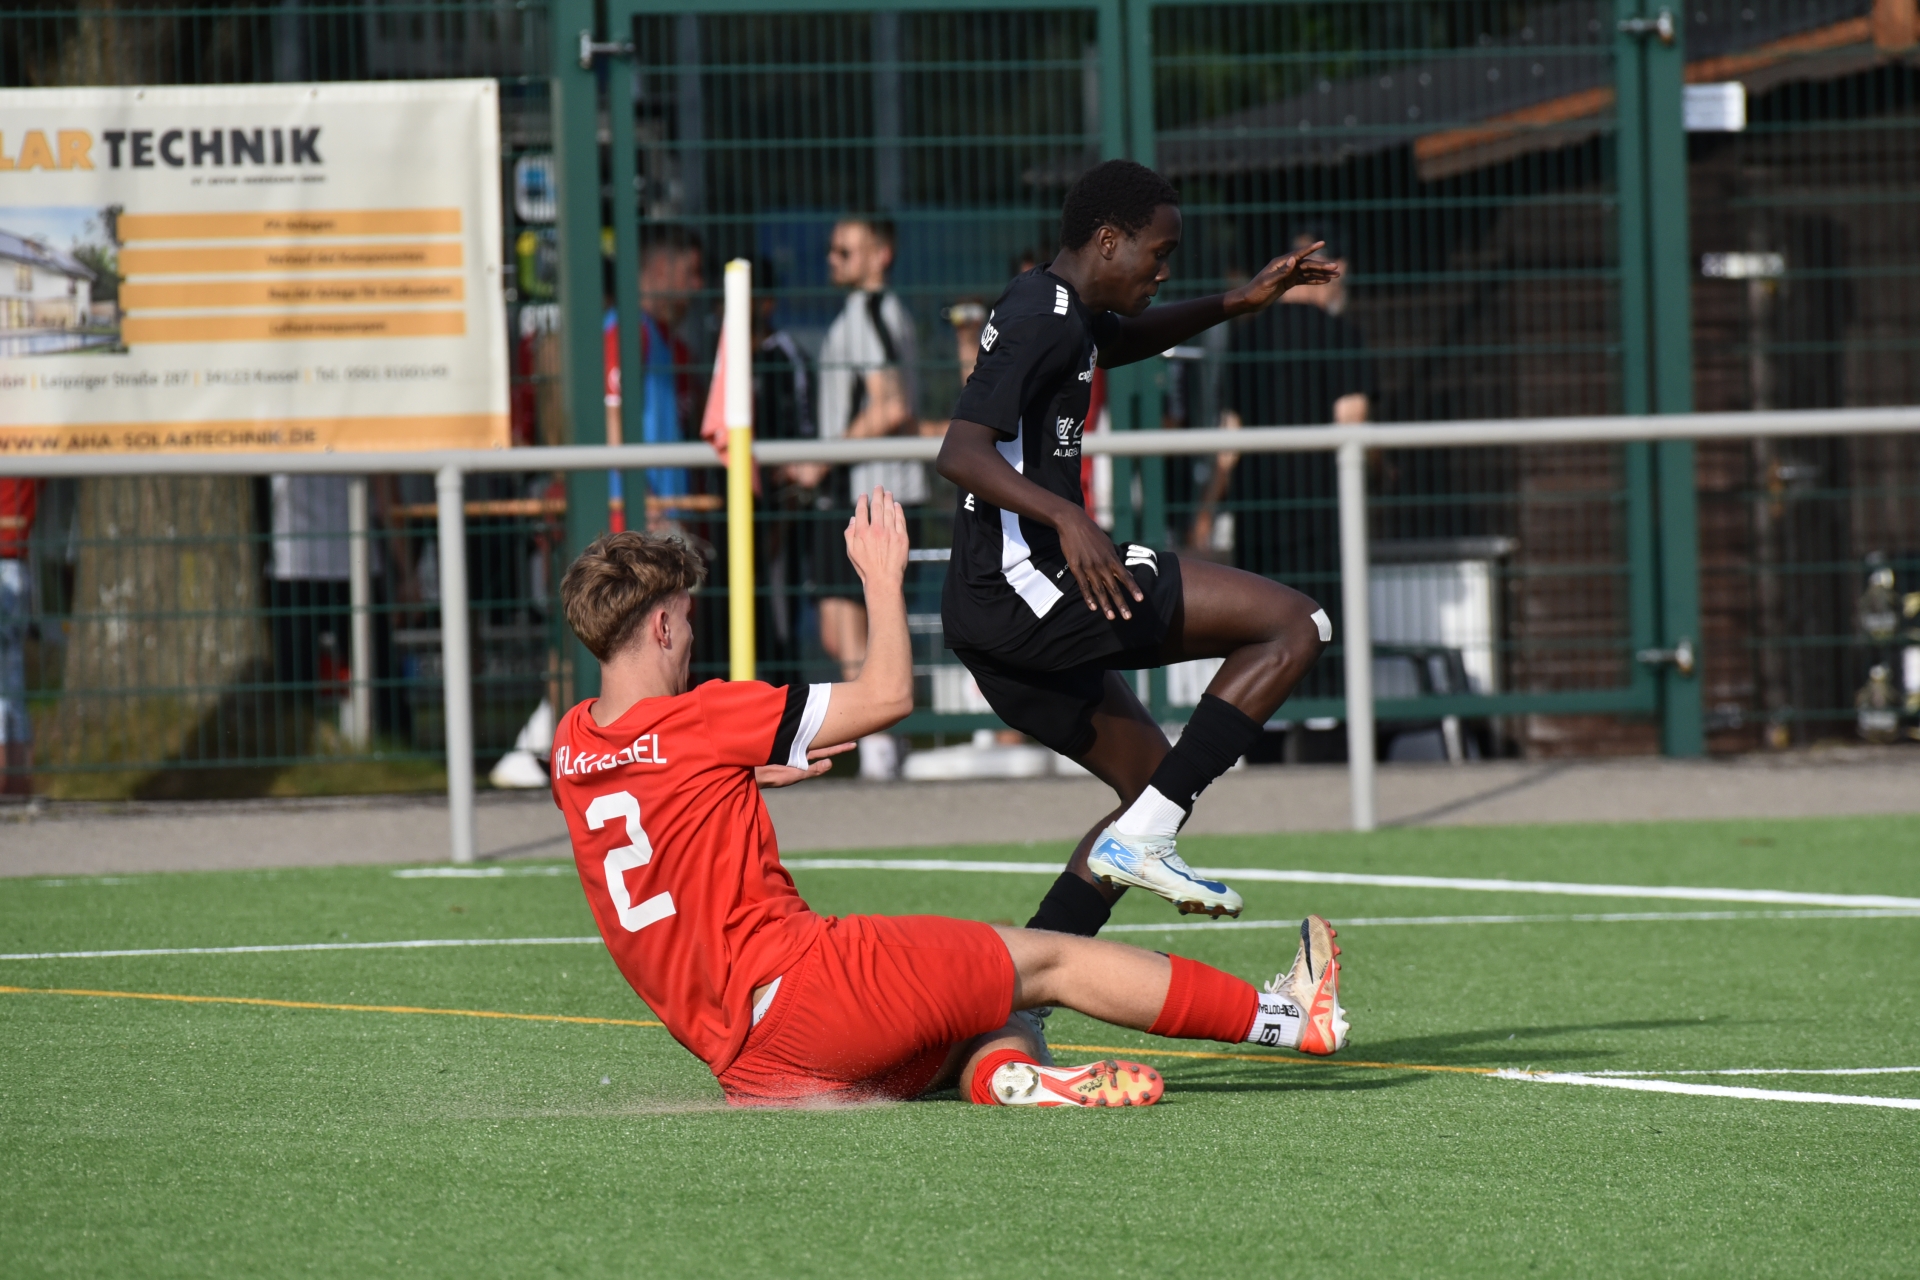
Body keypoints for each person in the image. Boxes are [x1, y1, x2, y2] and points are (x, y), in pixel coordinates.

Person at [546, 491, 1349, 1108]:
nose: (691, 639)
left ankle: (1006, 1079)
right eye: (686, 621)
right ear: (660, 627)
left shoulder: (573, 747)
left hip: (754, 1068)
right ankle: (1289, 1018)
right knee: (1050, 961)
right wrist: (881, 580)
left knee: (981, 1020)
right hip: (812, 991)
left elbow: (641, 802)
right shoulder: (704, 718)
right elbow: (888, 695)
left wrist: (736, 779)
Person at [935, 159, 1339, 933]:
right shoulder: (1044, 318)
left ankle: (1030, 983)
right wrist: (1069, 518)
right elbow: (960, 450)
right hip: (1032, 592)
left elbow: (1117, 341)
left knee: (1152, 781)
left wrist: (1240, 300)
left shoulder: (1053, 303)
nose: (1163, 271)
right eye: (1159, 254)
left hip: (993, 616)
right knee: (1298, 624)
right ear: (1109, 241)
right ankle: (1146, 839)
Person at [1192, 227, 1377, 576]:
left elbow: (1229, 439)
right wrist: (1380, 467)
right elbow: (1351, 423)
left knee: (1263, 608)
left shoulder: (1247, 338)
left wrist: (1205, 512)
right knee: (1318, 611)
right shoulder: (1341, 336)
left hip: (1258, 517)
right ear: (1335, 270)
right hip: (1322, 522)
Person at [813, 216, 921, 778]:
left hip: (871, 491)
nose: (833, 260)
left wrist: (820, 458)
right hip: (862, 489)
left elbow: (891, 404)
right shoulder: (875, 313)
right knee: (840, 628)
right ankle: (882, 743)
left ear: (881, 254)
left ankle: (880, 747)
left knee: (862, 623)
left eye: (845, 251)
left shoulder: (870, 313)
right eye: (832, 251)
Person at [604, 228, 705, 529]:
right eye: (690, 272)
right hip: (636, 526)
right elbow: (610, 418)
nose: (698, 285)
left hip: (658, 520)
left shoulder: (660, 338)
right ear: (661, 270)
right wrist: (645, 501)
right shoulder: (627, 332)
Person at [0, 475, 38, 796]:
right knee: (13, 685)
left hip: (7, 563)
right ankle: (18, 783)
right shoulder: (28, 455)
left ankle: (11, 782)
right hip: (16, 563)